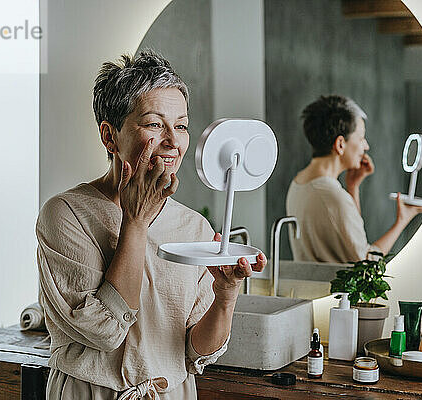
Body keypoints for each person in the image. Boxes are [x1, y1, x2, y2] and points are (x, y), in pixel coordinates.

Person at [36, 50, 266, 399]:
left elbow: (197, 350)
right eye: (155, 124)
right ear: (109, 136)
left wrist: (225, 295)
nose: (173, 141)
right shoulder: (66, 214)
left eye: (182, 125)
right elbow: (104, 332)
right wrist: (136, 220)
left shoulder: (195, 228)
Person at [286, 95, 422, 263]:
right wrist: (402, 220)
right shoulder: (334, 196)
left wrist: (353, 187)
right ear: (340, 144)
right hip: (333, 290)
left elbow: (351, 241)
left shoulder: (298, 182)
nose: (366, 146)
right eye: (361, 138)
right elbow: (366, 262)